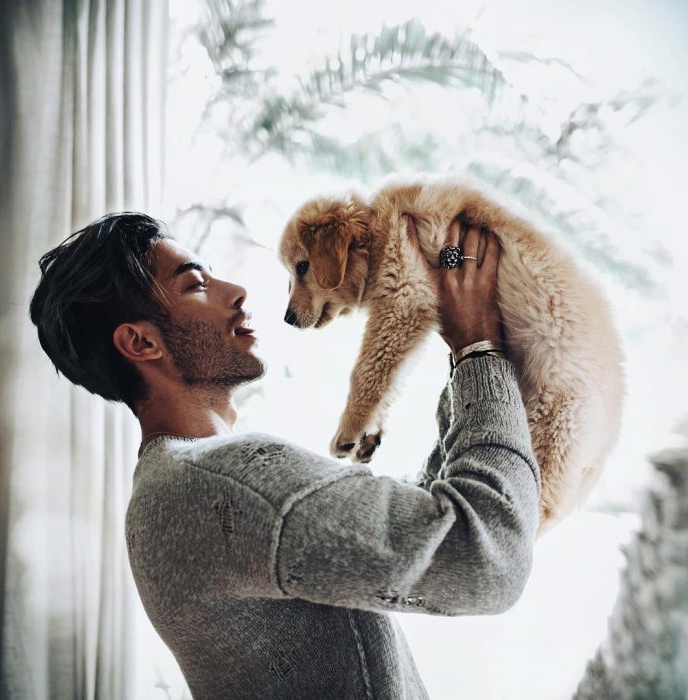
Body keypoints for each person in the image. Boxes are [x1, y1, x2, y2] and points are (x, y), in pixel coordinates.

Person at [29, 212, 541, 700]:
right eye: (196, 285)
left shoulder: (175, 488)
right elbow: (485, 558)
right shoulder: (226, 482)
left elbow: (421, 521)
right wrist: (478, 350)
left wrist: (464, 359)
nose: (237, 291)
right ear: (140, 342)